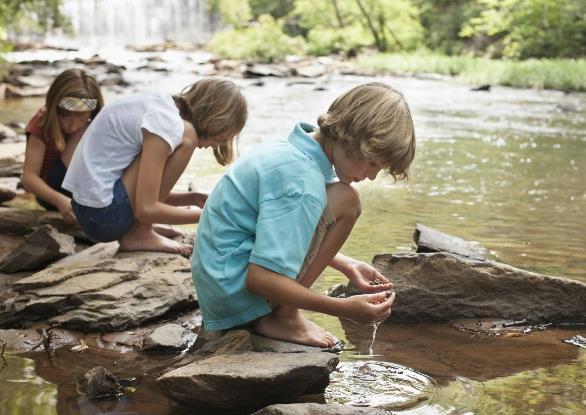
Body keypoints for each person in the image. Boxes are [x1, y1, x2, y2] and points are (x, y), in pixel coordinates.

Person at [192, 82, 416, 347]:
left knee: (343, 198)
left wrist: (345, 263)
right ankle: (284, 316)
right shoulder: (303, 184)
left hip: (219, 281)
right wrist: (342, 308)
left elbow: (280, 229)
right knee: (348, 201)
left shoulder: (293, 152)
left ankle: (282, 312)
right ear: (350, 140)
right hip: (235, 295)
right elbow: (260, 278)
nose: (371, 176)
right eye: (373, 163)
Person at [63, 78, 247, 255]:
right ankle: (140, 233)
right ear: (213, 120)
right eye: (220, 139)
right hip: (104, 217)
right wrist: (210, 214)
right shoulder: (169, 125)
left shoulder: (161, 106)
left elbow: (142, 193)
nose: (214, 146)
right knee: (188, 135)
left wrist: (191, 198)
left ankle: (141, 230)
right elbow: (146, 208)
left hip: (91, 211)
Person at [22, 68, 104, 222]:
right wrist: (60, 200)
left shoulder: (94, 118)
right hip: (52, 191)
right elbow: (28, 177)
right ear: (54, 108)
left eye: (81, 118)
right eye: (65, 117)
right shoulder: (41, 123)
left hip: (80, 185)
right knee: (88, 129)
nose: (72, 125)